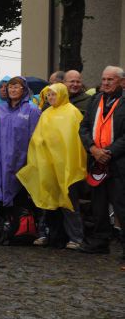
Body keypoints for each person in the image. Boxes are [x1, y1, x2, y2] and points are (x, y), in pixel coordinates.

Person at [16, 83, 86, 249]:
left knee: (68, 201)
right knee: (46, 199)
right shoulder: (46, 113)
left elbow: (75, 139)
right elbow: (38, 137)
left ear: (62, 94)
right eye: (49, 95)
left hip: (66, 165)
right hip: (48, 165)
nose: (51, 98)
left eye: (54, 94)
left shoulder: (72, 112)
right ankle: (45, 233)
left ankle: (76, 237)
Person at [0, 76, 41, 244]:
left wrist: (30, 162)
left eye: (17, 87)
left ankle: (20, 231)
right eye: (10, 87)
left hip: (21, 163)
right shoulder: (0, 111)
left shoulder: (32, 110)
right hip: (1, 163)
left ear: (24, 90)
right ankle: (5, 227)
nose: (13, 90)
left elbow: (36, 138)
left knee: (19, 197)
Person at [78, 66, 125, 262]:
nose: (105, 83)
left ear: (122, 82)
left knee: (121, 204)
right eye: (104, 79)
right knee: (98, 204)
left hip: (119, 163)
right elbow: (84, 127)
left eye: (110, 80)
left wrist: (110, 152)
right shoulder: (95, 100)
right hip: (97, 161)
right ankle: (100, 241)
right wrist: (93, 149)